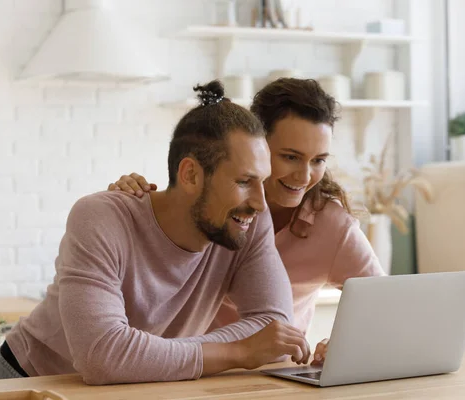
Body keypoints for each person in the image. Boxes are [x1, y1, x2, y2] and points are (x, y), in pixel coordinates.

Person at [0, 81, 311, 385]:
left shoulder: (248, 220)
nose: (259, 202)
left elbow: (275, 329)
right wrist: (240, 351)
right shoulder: (101, 217)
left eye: (261, 181)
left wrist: (144, 355)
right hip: (37, 378)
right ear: (190, 175)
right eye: (243, 181)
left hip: (139, 384)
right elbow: (102, 355)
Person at [108, 78, 386, 366]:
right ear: (256, 145)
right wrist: (130, 204)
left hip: (269, 374)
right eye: (290, 157)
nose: (304, 177)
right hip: (182, 365)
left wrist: (346, 342)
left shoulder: (332, 227)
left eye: (318, 160)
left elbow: (385, 303)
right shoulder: (208, 209)